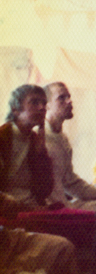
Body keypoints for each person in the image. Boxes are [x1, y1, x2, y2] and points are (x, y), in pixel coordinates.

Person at [44, 82, 96, 208]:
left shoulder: (63, 139)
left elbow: (70, 182)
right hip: (47, 210)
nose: (69, 101)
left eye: (69, 97)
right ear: (46, 105)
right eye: (61, 98)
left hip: (63, 205)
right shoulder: (37, 137)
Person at [1, 84, 55, 216]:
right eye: (34, 102)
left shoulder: (34, 139)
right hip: (10, 212)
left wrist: (41, 154)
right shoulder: (3, 137)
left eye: (44, 103)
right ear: (15, 109)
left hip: (34, 207)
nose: (42, 108)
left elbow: (44, 190)